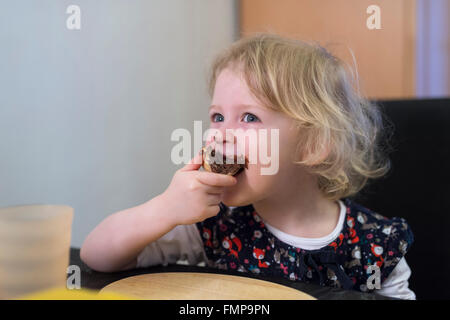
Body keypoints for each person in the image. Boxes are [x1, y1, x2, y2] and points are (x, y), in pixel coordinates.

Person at [80, 33, 415, 300]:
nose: (221, 135)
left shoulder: (376, 245)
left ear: (315, 144)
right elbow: (97, 257)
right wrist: (165, 208)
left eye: (249, 117)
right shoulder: (214, 221)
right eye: (217, 117)